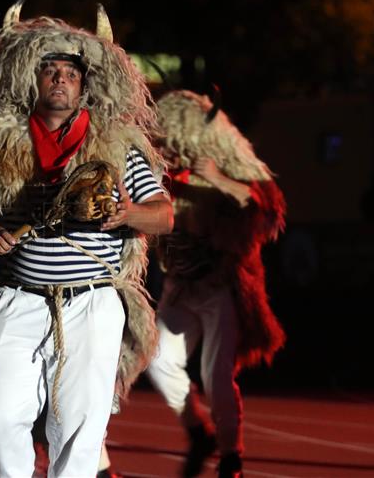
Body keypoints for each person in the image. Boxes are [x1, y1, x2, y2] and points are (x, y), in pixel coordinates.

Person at [0, 0, 173, 477]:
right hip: (16, 298)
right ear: (31, 77)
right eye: (50, 70)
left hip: (91, 301)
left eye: (71, 72)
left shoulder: (116, 146)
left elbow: (164, 215)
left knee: (80, 428)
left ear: (85, 83)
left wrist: (127, 212)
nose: (61, 78)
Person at [146, 90, 287, 478]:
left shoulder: (226, 162)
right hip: (179, 283)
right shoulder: (159, 168)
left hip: (221, 284)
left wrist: (215, 178)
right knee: (158, 360)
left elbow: (263, 206)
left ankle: (231, 456)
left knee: (217, 375)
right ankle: (198, 430)